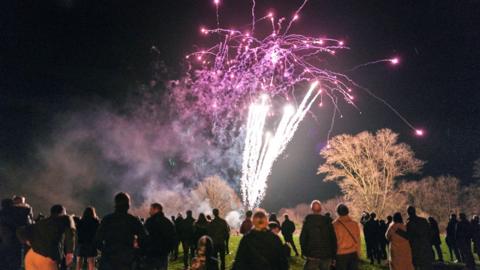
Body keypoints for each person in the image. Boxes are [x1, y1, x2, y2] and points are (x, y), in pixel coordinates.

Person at [95, 192, 147, 270]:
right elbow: (144, 238)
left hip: (108, 261)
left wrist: (106, 251)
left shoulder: (107, 220)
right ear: (128, 205)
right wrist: (136, 252)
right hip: (127, 261)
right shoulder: (133, 220)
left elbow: (97, 241)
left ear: (115, 204)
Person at [22, 204, 75, 270]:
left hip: (31, 255)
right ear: (63, 213)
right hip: (47, 257)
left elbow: (21, 231)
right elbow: (70, 234)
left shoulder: (41, 222)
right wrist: (69, 253)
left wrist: (28, 241)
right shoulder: (64, 219)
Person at [300, 200, 337, 270]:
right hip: (326, 255)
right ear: (321, 209)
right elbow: (333, 239)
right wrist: (333, 255)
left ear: (311, 209)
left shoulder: (308, 222)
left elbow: (302, 239)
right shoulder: (328, 222)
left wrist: (304, 252)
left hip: (312, 255)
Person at [144, 203, 177, 270]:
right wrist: (168, 250)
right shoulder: (168, 222)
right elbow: (173, 238)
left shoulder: (149, 221)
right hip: (163, 254)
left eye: (151, 209)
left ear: (156, 209)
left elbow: (144, 237)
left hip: (151, 254)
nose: (149, 211)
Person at [332, 204, 361, 270]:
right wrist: (358, 253)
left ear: (338, 213)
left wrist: (333, 257)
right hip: (353, 254)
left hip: (340, 255)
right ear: (347, 212)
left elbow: (333, 243)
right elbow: (358, 240)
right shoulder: (354, 224)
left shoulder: (334, 225)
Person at [406, 206, 434, 270]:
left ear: (408, 213)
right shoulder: (423, 220)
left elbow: (409, 237)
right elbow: (430, 233)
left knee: (417, 265)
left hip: (416, 249)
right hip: (426, 246)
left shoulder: (409, 223)